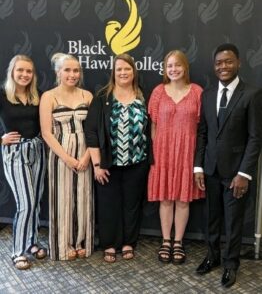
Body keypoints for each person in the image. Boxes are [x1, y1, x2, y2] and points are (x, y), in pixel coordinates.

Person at [194, 43, 262, 288]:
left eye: (228, 61)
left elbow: (256, 137)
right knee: (211, 218)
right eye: (218, 63)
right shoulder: (208, 94)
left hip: (236, 173)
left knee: (233, 221)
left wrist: (244, 173)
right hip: (210, 170)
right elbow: (203, 133)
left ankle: (231, 265)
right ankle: (212, 256)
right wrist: (198, 167)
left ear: (239, 63)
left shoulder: (252, 94)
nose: (223, 66)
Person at [85, 53, 149, 263]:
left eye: (127, 69)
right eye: (119, 69)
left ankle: (129, 242)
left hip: (137, 162)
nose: (123, 72)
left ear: (134, 72)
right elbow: (92, 132)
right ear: (113, 72)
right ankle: (110, 244)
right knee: (108, 205)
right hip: (108, 164)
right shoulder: (103, 97)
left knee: (132, 204)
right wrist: (97, 164)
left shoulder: (142, 96)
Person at [147, 50, 204, 264]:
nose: (173, 69)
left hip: (187, 153)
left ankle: (178, 241)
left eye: (177, 65)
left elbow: (201, 128)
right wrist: (155, 151)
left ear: (185, 67)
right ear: (165, 69)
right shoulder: (158, 92)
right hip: (162, 153)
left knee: (182, 198)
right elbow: (152, 125)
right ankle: (166, 241)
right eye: (169, 66)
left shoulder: (197, 92)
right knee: (165, 198)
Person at [40, 53, 93, 261]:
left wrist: (87, 156)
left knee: (83, 197)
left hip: (85, 154)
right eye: (68, 70)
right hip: (60, 156)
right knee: (62, 200)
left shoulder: (87, 96)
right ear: (58, 72)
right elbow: (46, 133)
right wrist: (67, 158)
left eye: (76, 70)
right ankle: (64, 244)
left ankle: (80, 241)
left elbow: (94, 130)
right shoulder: (49, 96)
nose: (72, 74)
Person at [0, 55, 46, 270]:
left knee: (35, 201)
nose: (24, 75)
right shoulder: (2, 95)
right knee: (25, 203)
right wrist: (0, 138)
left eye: (29, 71)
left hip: (37, 151)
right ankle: (18, 251)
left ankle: (32, 242)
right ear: (12, 72)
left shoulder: (38, 95)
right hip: (15, 154)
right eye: (20, 70)